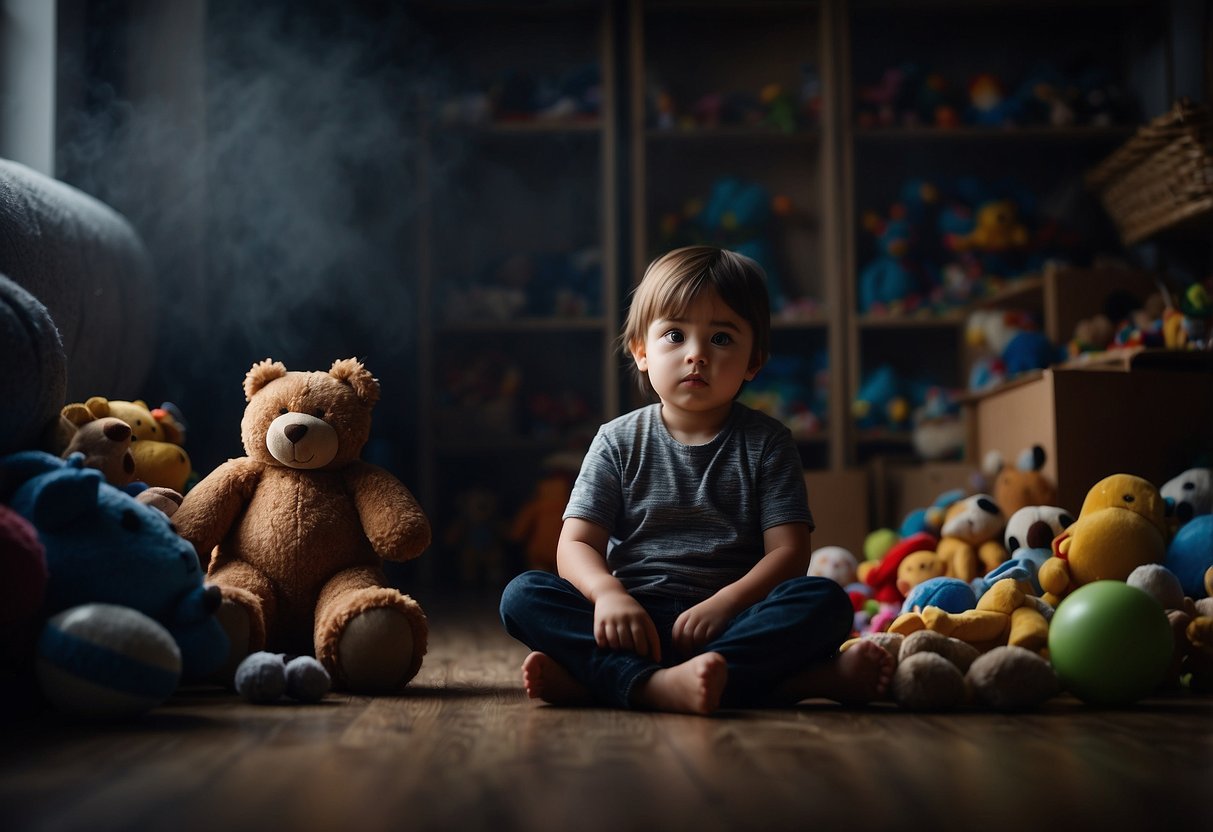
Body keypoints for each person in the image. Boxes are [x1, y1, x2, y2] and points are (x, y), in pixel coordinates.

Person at [499, 246, 892, 715]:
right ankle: (766, 684)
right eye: (674, 335)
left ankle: (612, 681)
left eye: (722, 339)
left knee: (824, 599)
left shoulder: (767, 442)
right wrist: (608, 596)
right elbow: (575, 545)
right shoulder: (616, 441)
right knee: (523, 595)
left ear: (754, 362)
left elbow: (789, 554)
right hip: (632, 621)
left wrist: (725, 604)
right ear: (641, 351)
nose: (697, 355)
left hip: (731, 625)